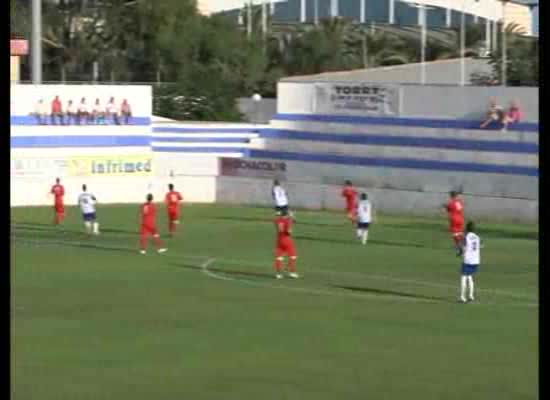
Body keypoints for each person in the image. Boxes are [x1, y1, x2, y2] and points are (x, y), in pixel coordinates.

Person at [459, 221, 481, 303]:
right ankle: (471, 295)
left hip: (468, 260)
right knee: (469, 276)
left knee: (463, 277)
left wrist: (460, 252)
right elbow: (479, 246)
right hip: (476, 260)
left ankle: (462, 297)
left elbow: (463, 248)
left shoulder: (466, 237)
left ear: (467, 228)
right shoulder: (477, 237)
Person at [274, 208, 298, 279]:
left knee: (279, 257)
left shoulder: (277, 220)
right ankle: (292, 272)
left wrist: (290, 218)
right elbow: (289, 231)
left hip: (279, 240)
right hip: (287, 240)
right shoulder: (288, 221)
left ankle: (278, 274)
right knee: (293, 256)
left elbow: (277, 218)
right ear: (287, 214)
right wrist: (292, 217)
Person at [442, 191, 465, 255]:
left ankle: (461, 249)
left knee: (455, 234)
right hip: (460, 219)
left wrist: (445, 206)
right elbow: (460, 209)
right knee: (461, 233)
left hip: (454, 219)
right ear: (456, 195)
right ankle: (468, 244)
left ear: (451, 195)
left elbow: (448, 209)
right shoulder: (459, 202)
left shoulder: (451, 203)